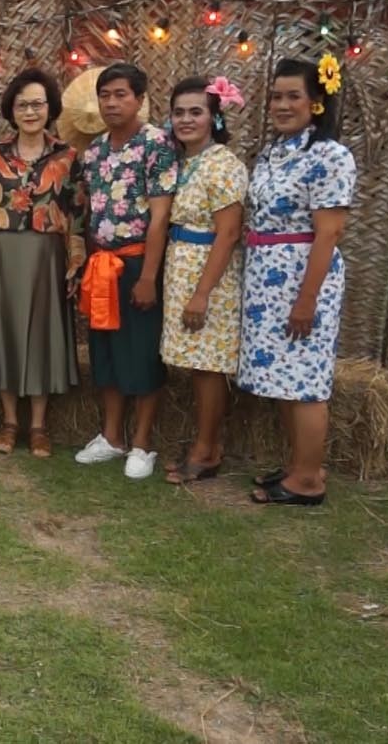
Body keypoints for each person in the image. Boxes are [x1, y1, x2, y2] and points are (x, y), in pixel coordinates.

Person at [240, 56, 357, 506]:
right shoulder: (275, 151)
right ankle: (298, 467)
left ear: (317, 102)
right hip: (267, 280)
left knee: (305, 380)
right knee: (284, 378)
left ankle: (309, 480)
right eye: (276, 96)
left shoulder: (329, 155)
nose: (282, 104)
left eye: (294, 96)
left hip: (301, 277)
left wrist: (307, 299)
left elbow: (329, 231)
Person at [0, 69, 85, 458]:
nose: (31, 111)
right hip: (2, 252)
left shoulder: (68, 157)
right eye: (23, 104)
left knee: (41, 335)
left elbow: (78, 213)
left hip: (47, 257)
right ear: (11, 110)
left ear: (50, 107)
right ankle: (8, 422)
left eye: (37, 103)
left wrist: (75, 263)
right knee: (7, 335)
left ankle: (38, 427)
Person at [74, 63, 180, 479]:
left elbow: (159, 219)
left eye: (121, 94)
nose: (112, 102)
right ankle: (111, 437)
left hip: (138, 262)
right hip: (101, 264)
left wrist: (148, 277)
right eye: (106, 95)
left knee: (142, 354)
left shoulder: (157, 145)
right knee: (107, 355)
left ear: (139, 99)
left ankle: (142, 443)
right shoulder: (95, 151)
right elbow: (88, 213)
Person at [160, 76, 249, 484]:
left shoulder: (224, 164)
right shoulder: (185, 162)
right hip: (183, 265)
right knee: (197, 364)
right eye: (179, 112)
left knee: (209, 367)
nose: (186, 119)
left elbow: (228, 232)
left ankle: (207, 450)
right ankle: (205, 443)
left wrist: (201, 293)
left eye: (196, 111)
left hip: (207, 275)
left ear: (214, 117)